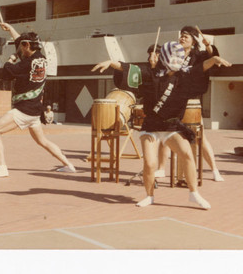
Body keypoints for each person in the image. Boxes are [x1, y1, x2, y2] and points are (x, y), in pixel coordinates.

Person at [92, 41, 231, 209]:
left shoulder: (184, 76)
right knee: (150, 163)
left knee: (187, 154)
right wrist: (110, 62)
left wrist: (214, 58)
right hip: (151, 126)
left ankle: (194, 194)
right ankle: (149, 196)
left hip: (170, 127)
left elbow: (202, 67)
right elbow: (128, 68)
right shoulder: (151, 75)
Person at [0, 22, 76, 178]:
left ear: (27, 45)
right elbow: (21, 40)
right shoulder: (41, 58)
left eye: (21, 47)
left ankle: (1, 167)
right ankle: (69, 165)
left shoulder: (25, 64)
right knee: (43, 141)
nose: (19, 49)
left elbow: (6, 73)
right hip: (35, 110)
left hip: (24, 109)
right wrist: (10, 29)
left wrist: (10, 59)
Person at [155, 26, 225, 183]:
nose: (182, 38)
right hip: (174, 98)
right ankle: (160, 168)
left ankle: (214, 170)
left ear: (194, 40)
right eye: (181, 36)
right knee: (166, 134)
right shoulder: (174, 55)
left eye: (186, 36)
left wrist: (208, 46)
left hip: (191, 99)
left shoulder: (198, 56)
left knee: (201, 138)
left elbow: (212, 60)